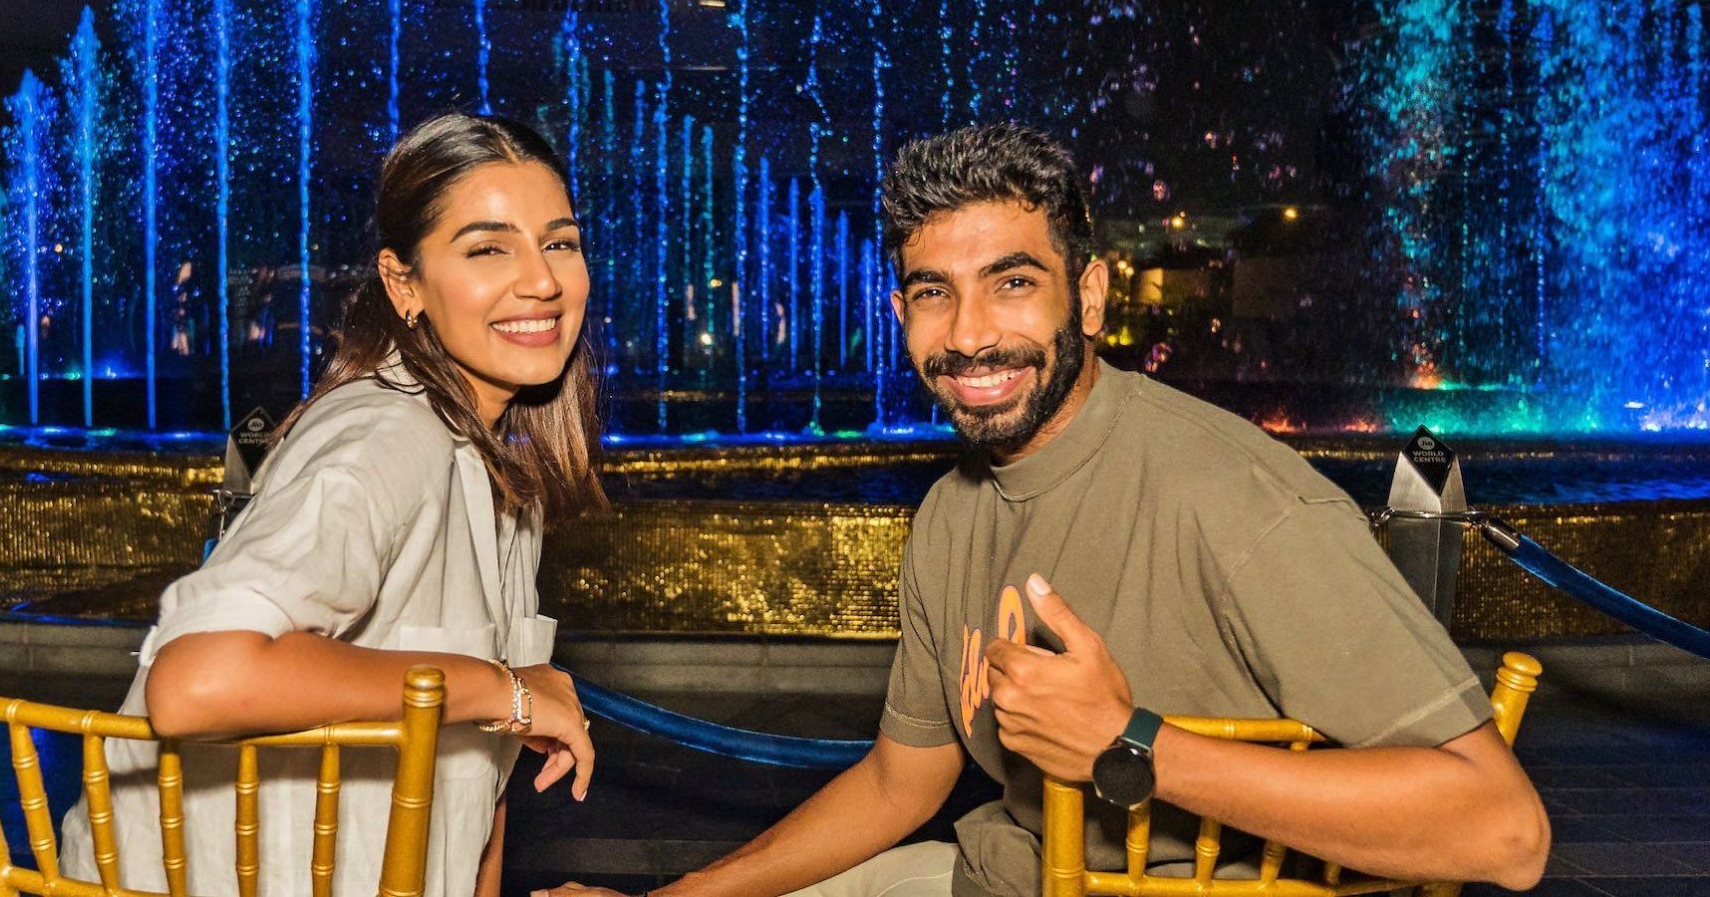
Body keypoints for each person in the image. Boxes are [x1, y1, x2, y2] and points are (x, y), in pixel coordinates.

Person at [546, 124, 1548, 897]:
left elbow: (1503, 833)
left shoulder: (1238, 501)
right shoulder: (950, 512)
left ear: (1093, 295)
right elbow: (905, 781)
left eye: (1013, 285)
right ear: (900, 314)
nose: (971, 336)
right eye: (935, 294)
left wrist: (1133, 742)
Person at [58, 113, 607, 897]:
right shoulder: (386, 433)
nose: (543, 280)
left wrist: (503, 697)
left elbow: (472, 795)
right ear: (403, 284)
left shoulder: (499, 471)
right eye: (488, 248)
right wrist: (504, 688)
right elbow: (195, 681)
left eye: (559, 242)